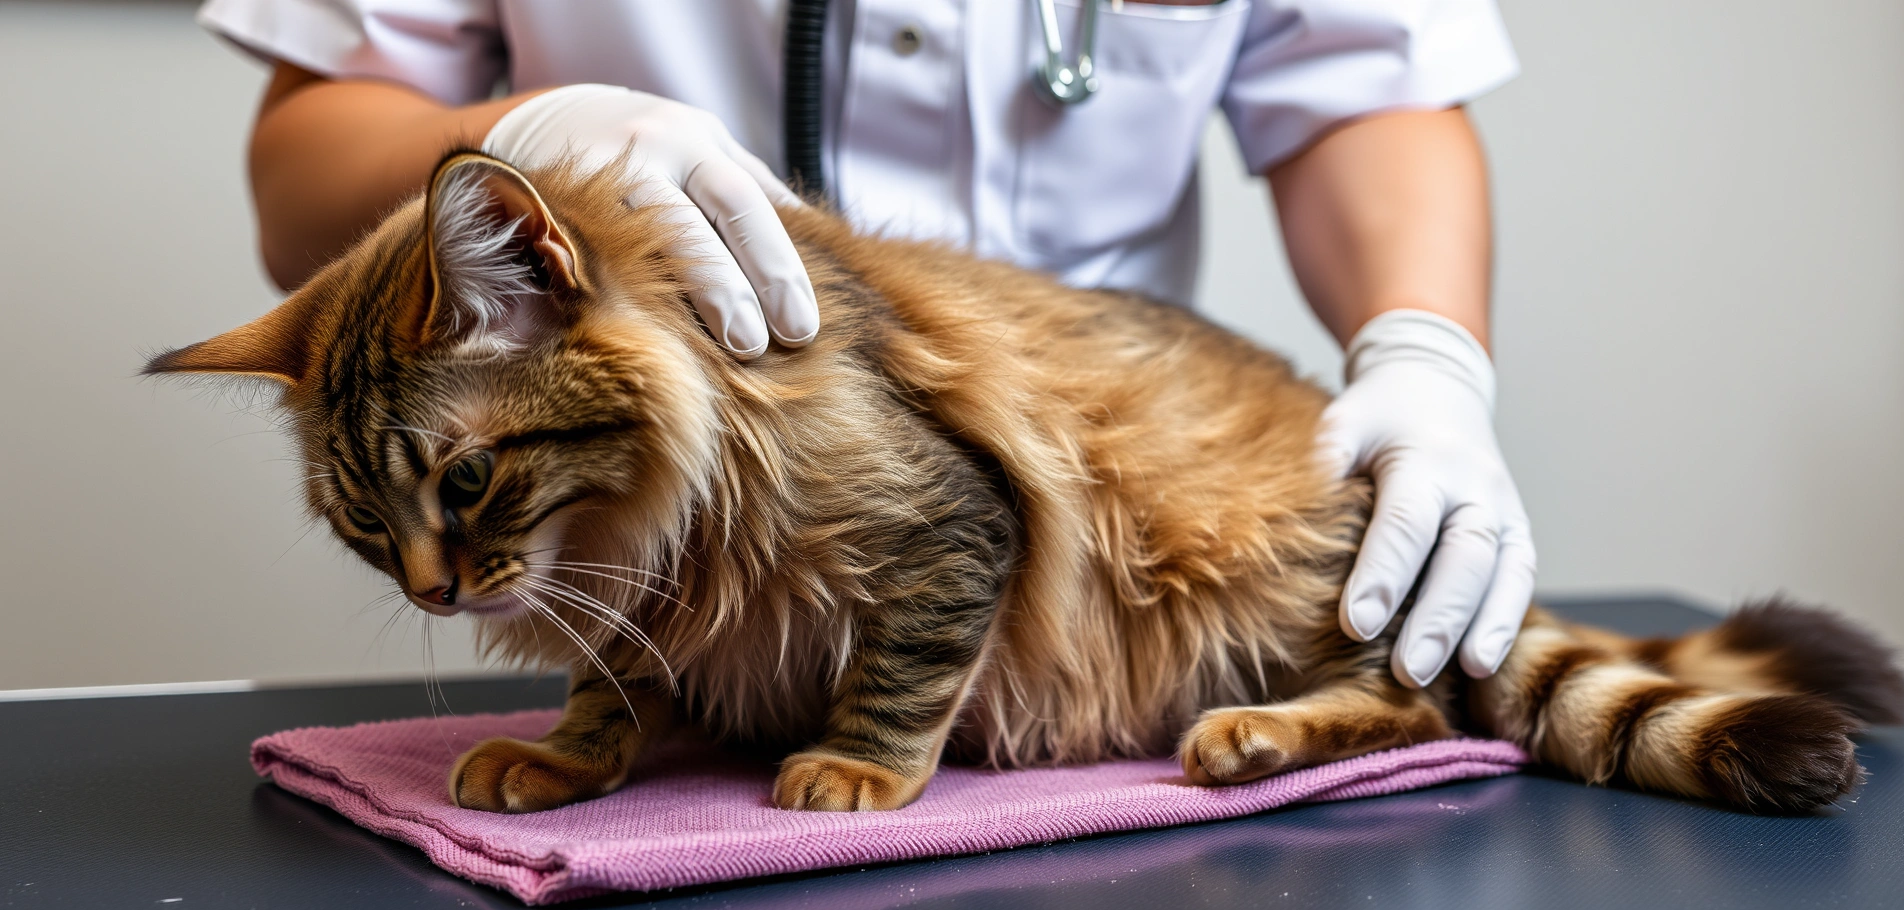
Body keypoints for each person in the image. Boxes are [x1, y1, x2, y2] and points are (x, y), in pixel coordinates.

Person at [199, 0, 1535, 690]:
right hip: (661, 558)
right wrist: (528, 144)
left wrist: (1425, 351)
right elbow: (307, 154)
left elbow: (1366, 82)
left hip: (1119, 529)